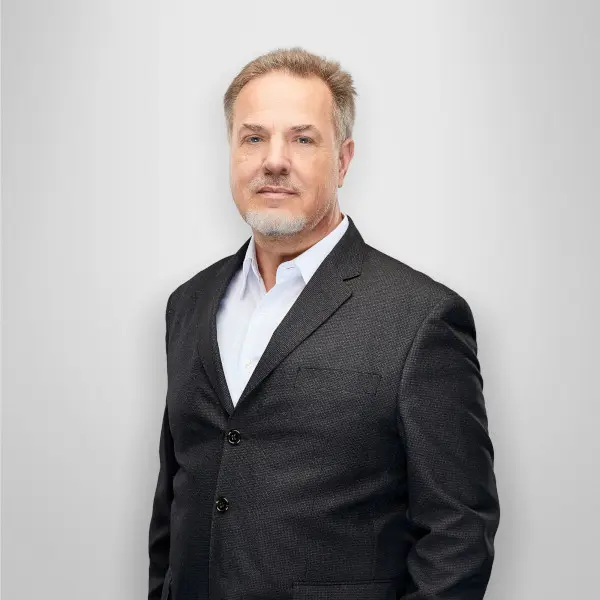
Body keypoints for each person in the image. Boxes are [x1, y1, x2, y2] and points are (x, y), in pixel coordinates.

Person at [148, 46, 500, 600]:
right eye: (253, 137)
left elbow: (458, 534)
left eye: (303, 139)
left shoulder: (421, 318)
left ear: (343, 159)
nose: (274, 161)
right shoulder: (188, 304)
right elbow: (175, 501)